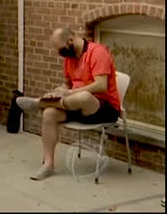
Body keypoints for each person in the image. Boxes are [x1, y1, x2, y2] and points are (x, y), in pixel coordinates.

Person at [16, 28, 120, 181]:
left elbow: (101, 85)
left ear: (70, 40)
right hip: (75, 105)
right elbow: (67, 85)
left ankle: (39, 103)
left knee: (84, 96)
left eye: (60, 48)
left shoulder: (98, 52)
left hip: (104, 108)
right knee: (49, 114)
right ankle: (48, 165)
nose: (59, 53)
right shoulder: (69, 57)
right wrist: (59, 92)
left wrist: (70, 93)